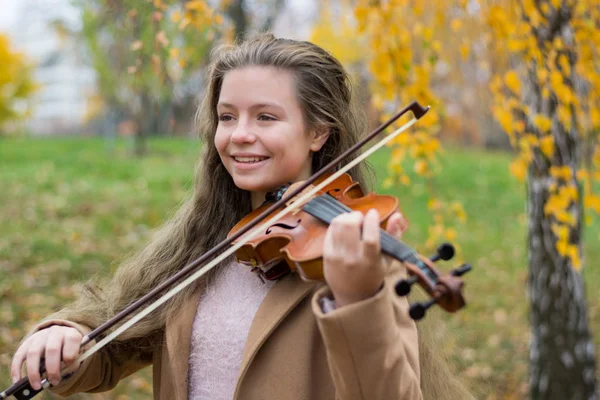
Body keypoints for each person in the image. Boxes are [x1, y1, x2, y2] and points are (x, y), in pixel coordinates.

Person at [10, 33, 472, 400]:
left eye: (266, 118)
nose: (239, 136)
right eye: (227, 117)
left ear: (318, 131)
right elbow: (116, 341)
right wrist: (65, 337)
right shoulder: (205, 240)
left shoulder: (358, 252)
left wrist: (358, 298)